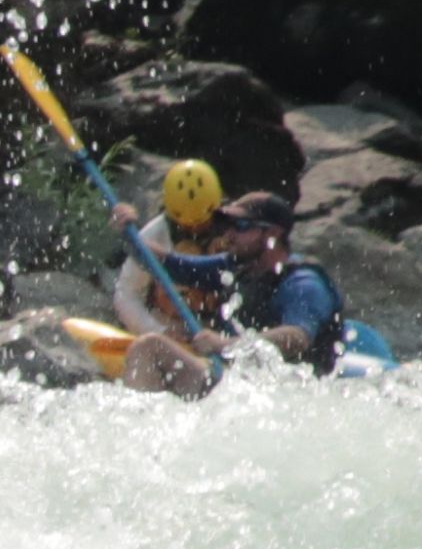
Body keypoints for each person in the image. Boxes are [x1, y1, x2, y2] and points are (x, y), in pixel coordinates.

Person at [108, 155, 240, 387]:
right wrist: (159, 331)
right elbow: (126, 294)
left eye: (201, 222)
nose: (194, 229)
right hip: (168, 329)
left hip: (217, 336)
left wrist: (222, 343)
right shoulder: (154, 234)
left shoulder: (235, 233)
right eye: (185, 224)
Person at [230, 184, 350, 373]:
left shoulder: (305, 283)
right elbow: (181, 265)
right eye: (227, 225)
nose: (230, 235)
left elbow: (298, 337)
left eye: (241, 226)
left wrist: (227, 345)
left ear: (273, 233)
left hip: (301, 387)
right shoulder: (245, 269)